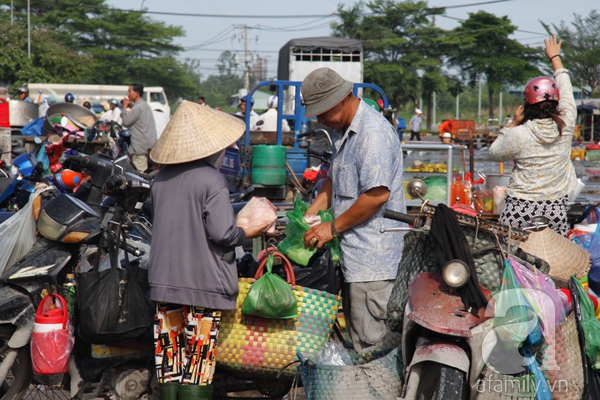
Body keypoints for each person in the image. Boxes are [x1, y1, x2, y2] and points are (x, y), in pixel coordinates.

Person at [148, 101, 268, 399]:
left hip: (163, 282)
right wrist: (249, 231)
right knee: (198, 362)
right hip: (201, 284)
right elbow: (222, 234)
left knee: (170, 361)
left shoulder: (160, 179)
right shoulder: (212, 180)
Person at [300, 67, 406, 352]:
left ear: (344, 99)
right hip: (353, 258)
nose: (320, 118)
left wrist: (331, 228)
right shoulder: (343, 133)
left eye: (323, 111)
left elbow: (376, 195)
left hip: (373, 263)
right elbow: (334, 181)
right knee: (359, 339)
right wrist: (308, 217)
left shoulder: (372, 134)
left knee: (373, 348)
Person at [489, 36, 577, 236]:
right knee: (553, 265)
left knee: (514, 262)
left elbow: (494, 153)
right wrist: (555, 57)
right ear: (557, 102)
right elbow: (567, 91)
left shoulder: (519, 133)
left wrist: (513, 123)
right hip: (554, 211)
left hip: (519, 211)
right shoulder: (566, 125)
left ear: (527, 105)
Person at [122, 83, 157, 173]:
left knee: (140, 174)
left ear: (137, 93)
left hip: (140, 147)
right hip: (149, 145)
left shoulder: (138, 107)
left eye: (130, 91)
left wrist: (124, 108)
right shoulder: (144, 105)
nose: (128, 94)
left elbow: (126, 122)